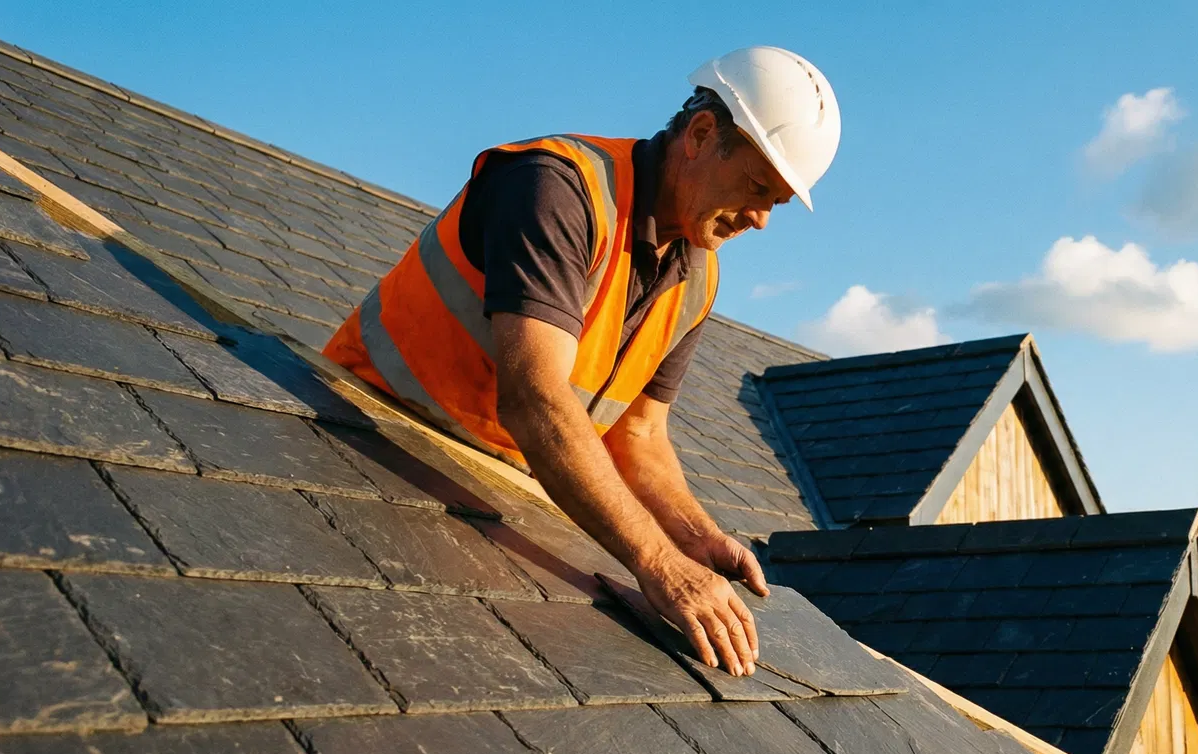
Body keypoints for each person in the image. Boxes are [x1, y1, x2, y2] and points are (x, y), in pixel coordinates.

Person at [325, 46, 840, 678]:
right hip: (356, 444)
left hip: (483, 489)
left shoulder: (697, 277)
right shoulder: (559, 188)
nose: (761, 220)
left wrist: (692, 535)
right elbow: (534, 397)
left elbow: (641, 434)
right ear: (702, 135)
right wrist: (661, 566)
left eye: (778, 204)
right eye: (759, 188)